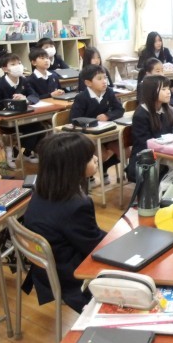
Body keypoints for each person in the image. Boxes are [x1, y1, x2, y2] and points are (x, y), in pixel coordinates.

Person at [22, 132, 106, 313]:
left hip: (45, 271)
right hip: (71, 277)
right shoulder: (75, 205)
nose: (96, 159)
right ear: (73, 167)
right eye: (89, 158)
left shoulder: (43, 190)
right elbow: (95, 246)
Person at [71, 64, 124, 185]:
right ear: (88, 83)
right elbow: (74, 119)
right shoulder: (81, 98)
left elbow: (119, 110)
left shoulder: (108, 92)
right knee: (102, 155)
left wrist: (108, 116)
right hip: (88, 135)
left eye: (105, 77)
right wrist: (92, 122)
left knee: (125, 151)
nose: (104, 81)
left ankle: (104, 166)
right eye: (99, 79)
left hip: (106, 132)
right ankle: (88, 174)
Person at [0, 53, 42, 168]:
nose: (17, 66)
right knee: (30, 129)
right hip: (8, 119)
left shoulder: (24, 80)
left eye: (19, 63)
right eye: (13, 64)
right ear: (5, 69)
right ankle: (14, 152)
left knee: (40, 127)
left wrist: (26, 99)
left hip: (24, 116)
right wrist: (11, 102)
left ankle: (25, 152)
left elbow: (34, 95)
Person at [126, 75, 173, 182]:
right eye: (163, 89)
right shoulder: (141, 114)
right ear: (151, 92)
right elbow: (144, 144)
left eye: (168, 88)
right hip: (144, 160)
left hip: (164, 155)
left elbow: (171, 135)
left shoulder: (168, 111)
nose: (168, 92)